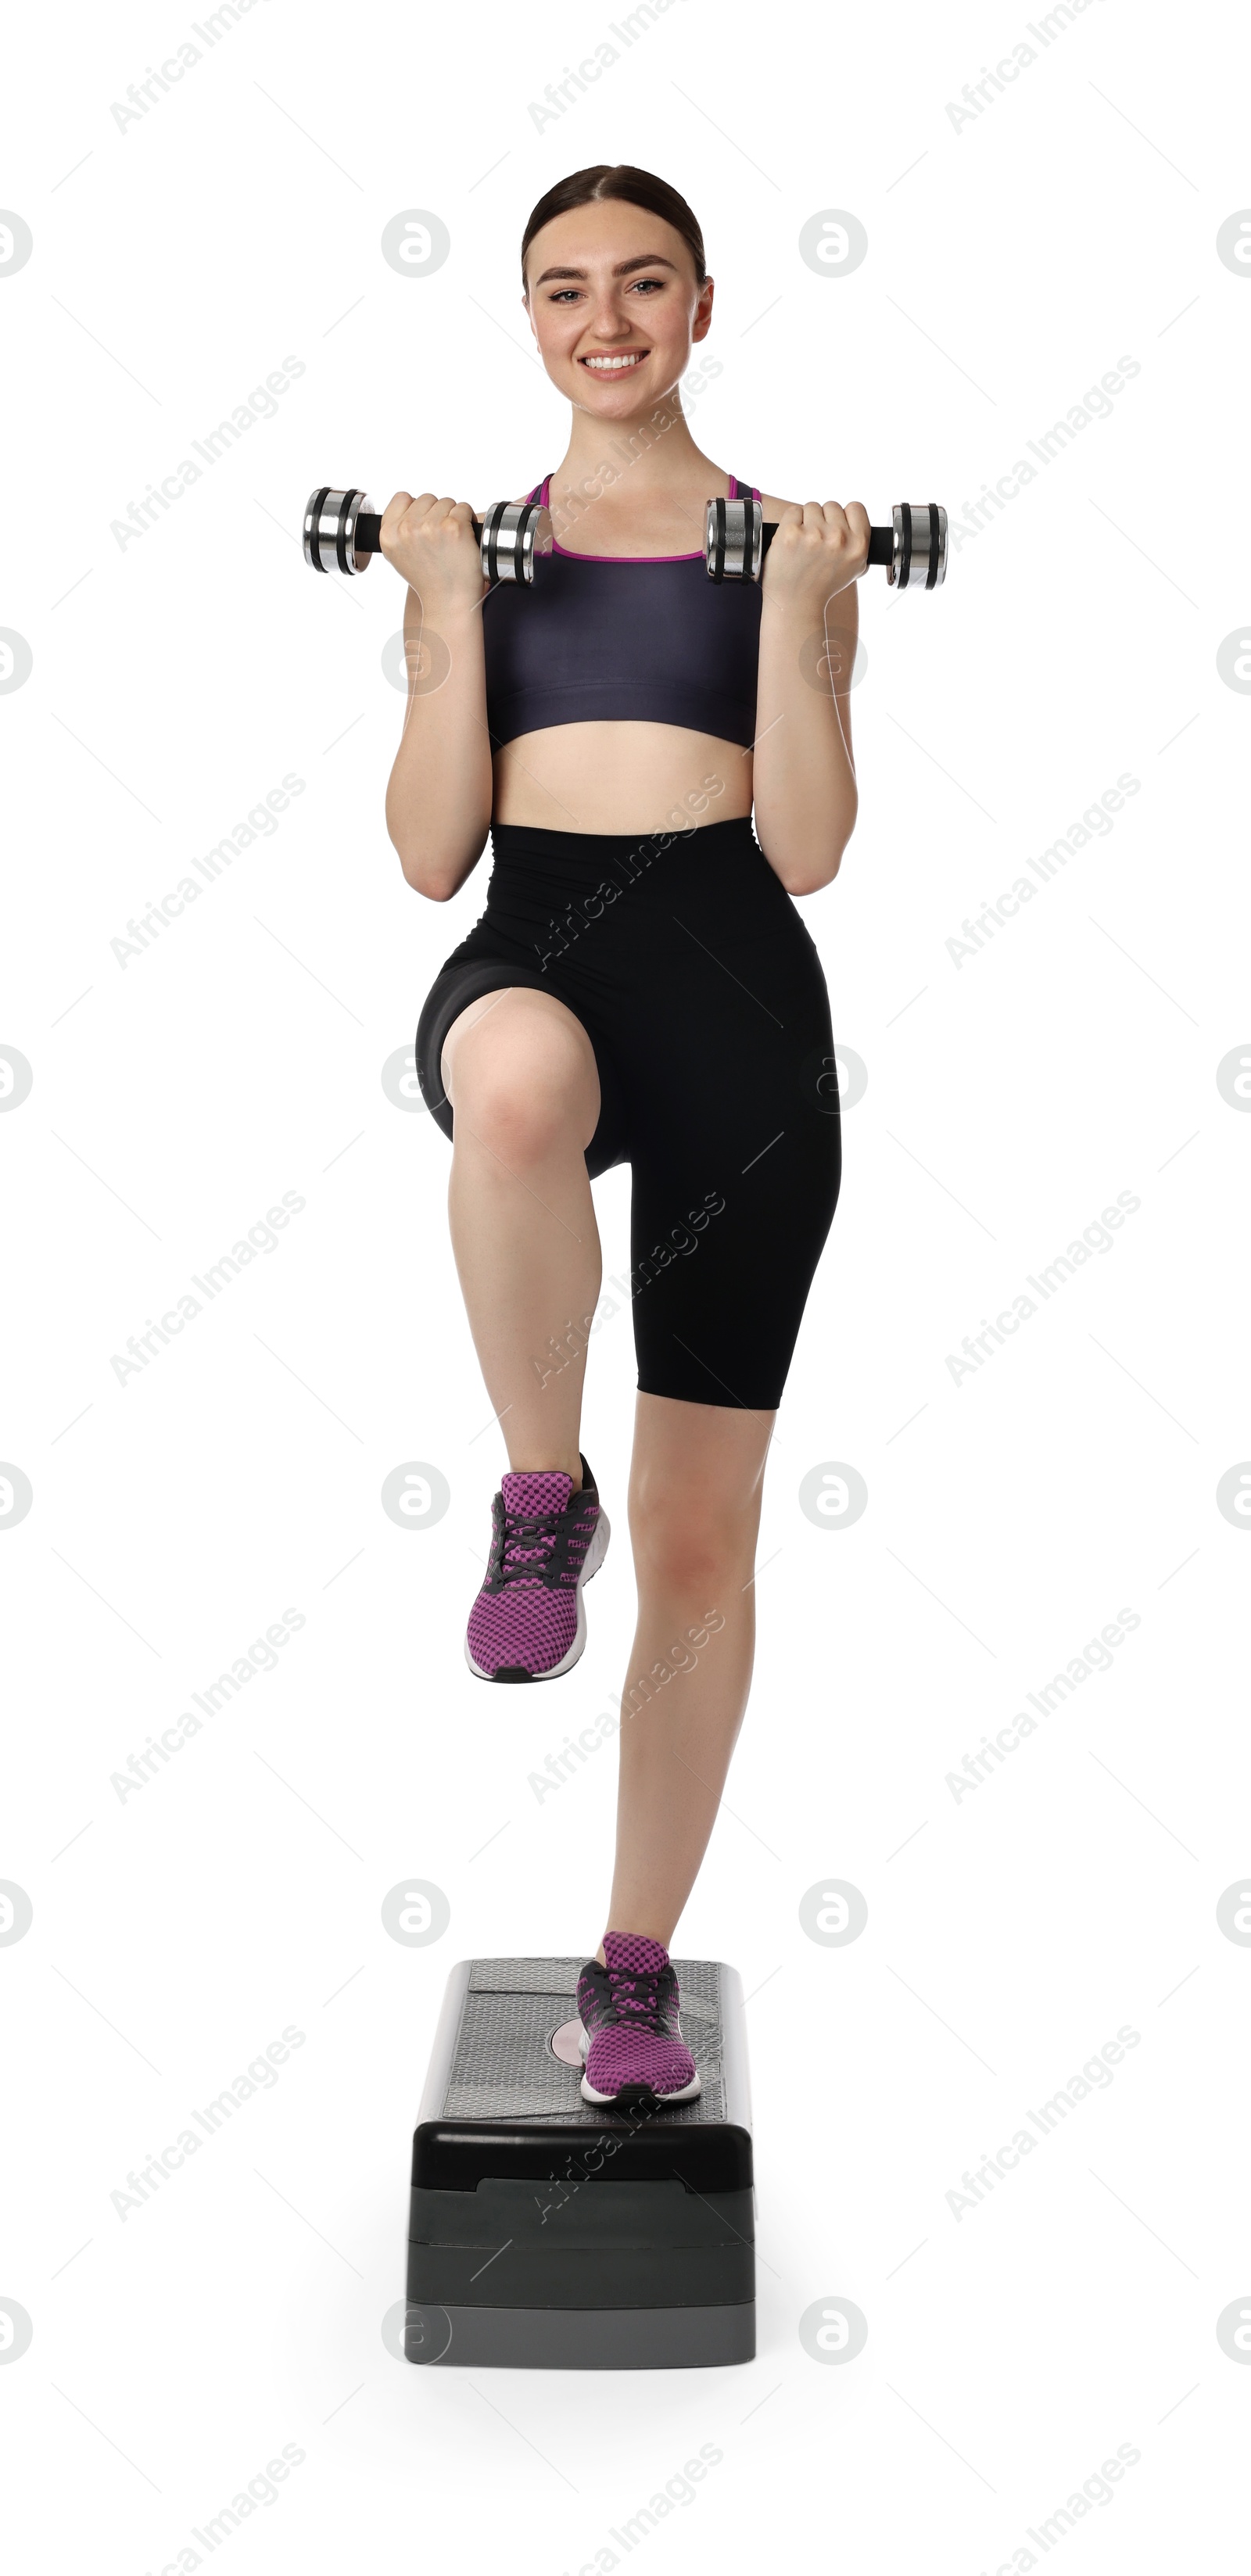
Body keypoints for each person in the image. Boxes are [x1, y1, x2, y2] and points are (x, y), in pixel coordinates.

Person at [382, 163, 863, 2109]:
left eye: (641, 283)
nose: (605, 316)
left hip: (739, 1004)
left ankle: (634, 1968)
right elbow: (428, 856)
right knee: (501, 1088)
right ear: (524, 317)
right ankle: (530, 1489)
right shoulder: (475, 556)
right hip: (537, 948)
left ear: (698, 304)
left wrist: (812, 616)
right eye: (564, 287)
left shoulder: (784, 548)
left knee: (700, 1543)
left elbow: (809, 847)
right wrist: (432, 612)